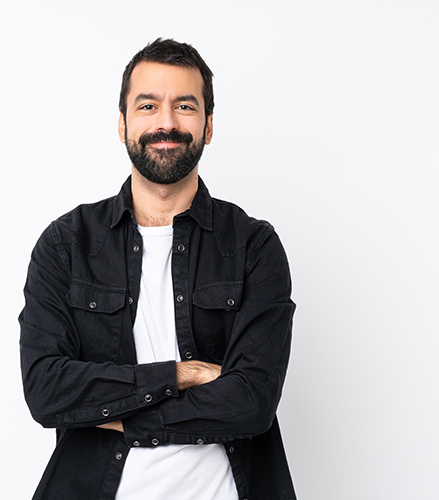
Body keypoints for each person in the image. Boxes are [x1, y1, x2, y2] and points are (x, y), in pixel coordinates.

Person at [19, 38, 297, 500]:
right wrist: (179, 375)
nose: (166, 122)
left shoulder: (253, 245)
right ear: (123, 123)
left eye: (184, 105)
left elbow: (252, 403)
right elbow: (47, 391)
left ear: (208, 126)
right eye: (148, 105)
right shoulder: (66, 245)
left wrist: (117, 412)